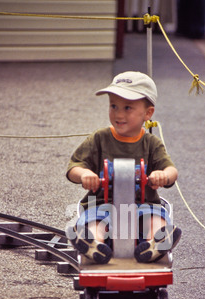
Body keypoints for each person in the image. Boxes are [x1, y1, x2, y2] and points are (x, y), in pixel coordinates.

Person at [65, 71, 181, 264]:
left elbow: (171, 170)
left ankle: (156, 243)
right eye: (113, 106)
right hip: (103, 204)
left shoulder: (151, 144)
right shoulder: (99, 138)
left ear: (148, 113)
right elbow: (73, 167)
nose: (119, 114)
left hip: (144, 206)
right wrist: (85, 174)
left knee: (155, 218)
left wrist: (163, 175)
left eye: (127, 108)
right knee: (95, 221)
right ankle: (93, 244)